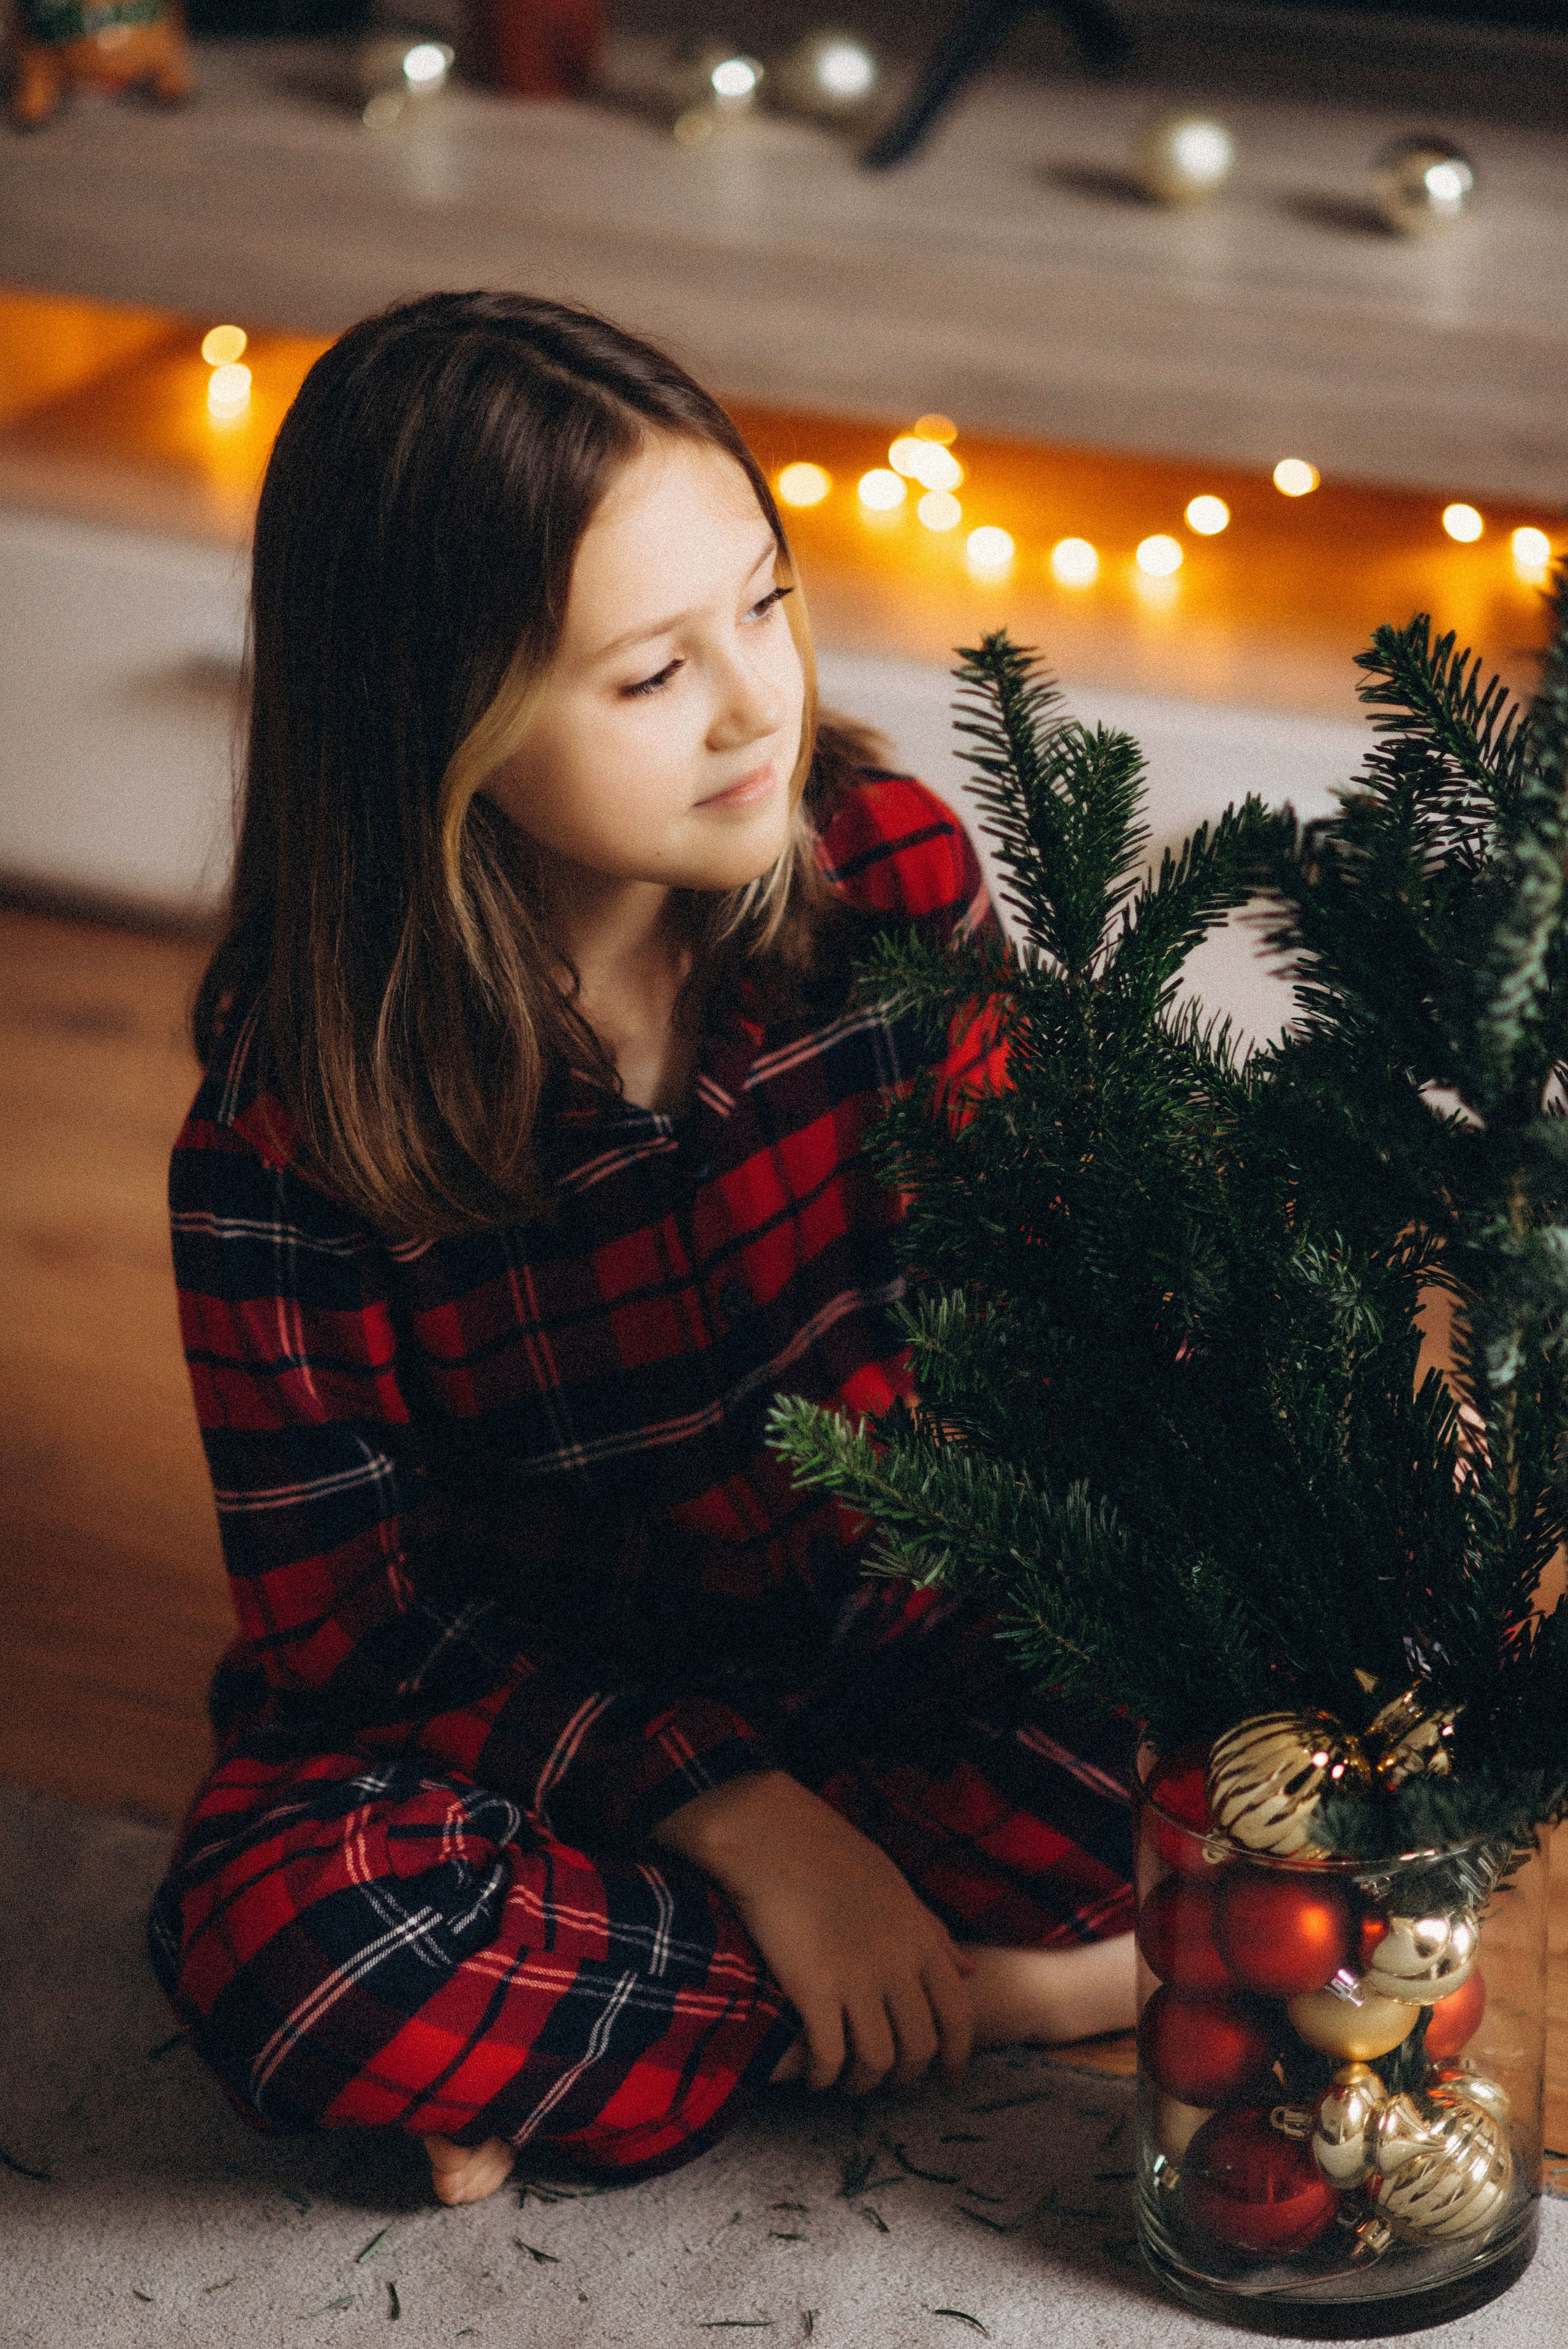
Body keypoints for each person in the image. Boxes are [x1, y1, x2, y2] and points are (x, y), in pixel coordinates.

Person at [149, 291, 1136, 2208]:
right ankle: (974, 1983)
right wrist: (757, 1829)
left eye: (763, 604)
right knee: (301, 1946)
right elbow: (356, 1631)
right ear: (439, 719)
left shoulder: (893, 877)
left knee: (1269, 1693)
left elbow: (1052, 1300)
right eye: (648, 674)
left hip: (918, 1657)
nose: (760, 702)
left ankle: (775, 2010)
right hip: (558, 1747)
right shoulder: (295, 1133)